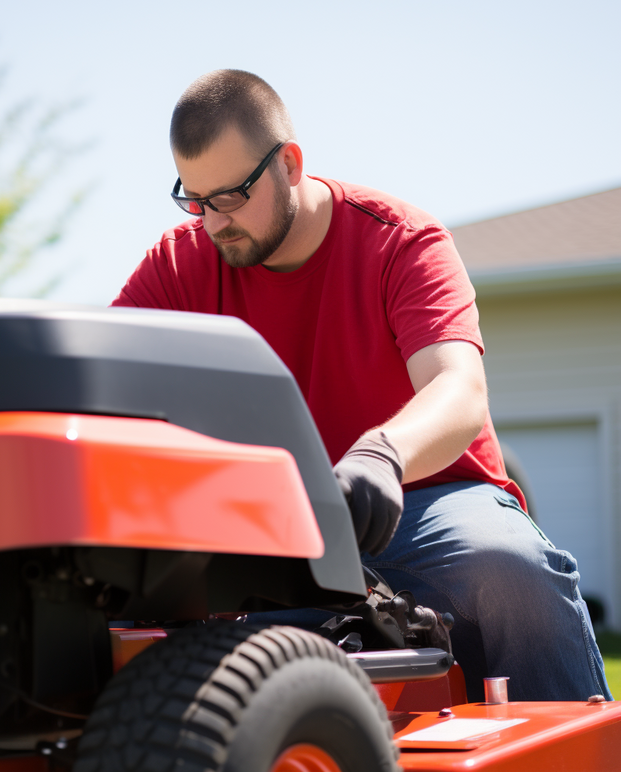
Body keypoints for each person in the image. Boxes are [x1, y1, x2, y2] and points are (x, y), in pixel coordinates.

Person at [111, 69, 610, 703]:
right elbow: (98, 381)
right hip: (275, 528)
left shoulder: (401, 240)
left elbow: (458, 390)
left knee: (509, 568)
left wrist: (381, 455)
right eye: (196, 199)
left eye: (232, 196)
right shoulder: (179, 264)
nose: (214, 223)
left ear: (289, 164)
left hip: (426, 503)